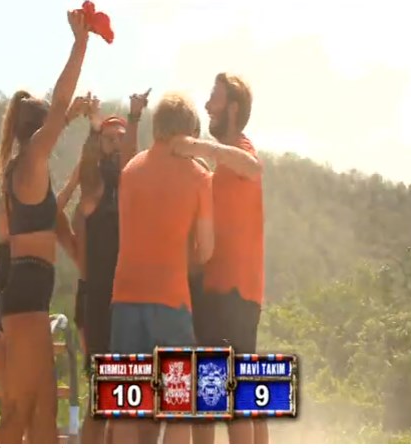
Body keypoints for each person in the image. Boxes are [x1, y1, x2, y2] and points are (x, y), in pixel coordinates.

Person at [0, 10, 90, 444]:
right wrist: (80, 44)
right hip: (26, 295)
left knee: (45, 412)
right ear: (37, 133)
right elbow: (61, 103)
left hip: (30, 294)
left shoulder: (28, 173)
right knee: (20, 411)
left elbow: (51, 223)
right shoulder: (30, 161)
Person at [109, 93, 214, 444]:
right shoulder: (199, 176)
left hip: (125, 295)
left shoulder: (130, 171)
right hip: (171, 298)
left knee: (125, 404)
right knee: (178, 405)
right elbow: (205, 250)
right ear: (190, 132)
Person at [171, 73, 266, 444]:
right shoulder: (220, 167)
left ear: (233, 109)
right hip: (222, 293)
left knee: (226, 401)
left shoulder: (241, 150)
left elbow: (252, 166)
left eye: (216, 98)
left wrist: (195, 146)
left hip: (232, 293)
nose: (209, 105)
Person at [56, 89, 150, 444]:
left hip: (130, 299)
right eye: (109, 138)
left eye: (120, 138)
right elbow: (66, 198)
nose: (116, 144)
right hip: (98, 300)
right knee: (105, 395)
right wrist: (95, 127)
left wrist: (135, 117)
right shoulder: (94, 187)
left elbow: (133, 161)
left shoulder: (130, 188)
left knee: (133, 397)